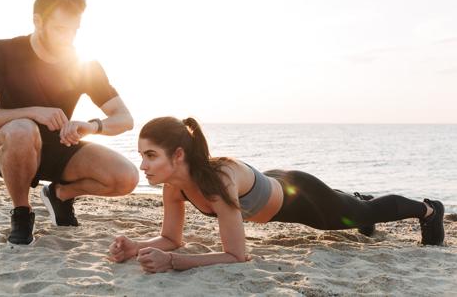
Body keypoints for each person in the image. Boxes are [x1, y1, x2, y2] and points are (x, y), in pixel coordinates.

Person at [108, 116, 445, 273]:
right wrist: (137, 246)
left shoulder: (219, 181)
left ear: (178, 155)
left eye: (150, 155)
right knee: (351, 207)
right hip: (273, 185)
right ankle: (356, 199)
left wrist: (173, 263)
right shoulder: (173, 187)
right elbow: (170, 237)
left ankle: (428, 210)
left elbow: (236, 257)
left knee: (356, 214)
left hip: (300, 198)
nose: (143, 165)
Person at [0, 0, 139, 246]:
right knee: (22, 128)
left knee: (126, 177)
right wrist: (34, 112)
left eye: (74, 30)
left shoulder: (83, 64)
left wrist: (91, 126)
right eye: (60, 29)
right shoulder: (1, 52)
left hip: (60, 149)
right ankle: (22, 213)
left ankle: (60, 194)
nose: (68, 38)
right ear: (38, 21)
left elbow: (124, 119)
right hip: (14, 148)